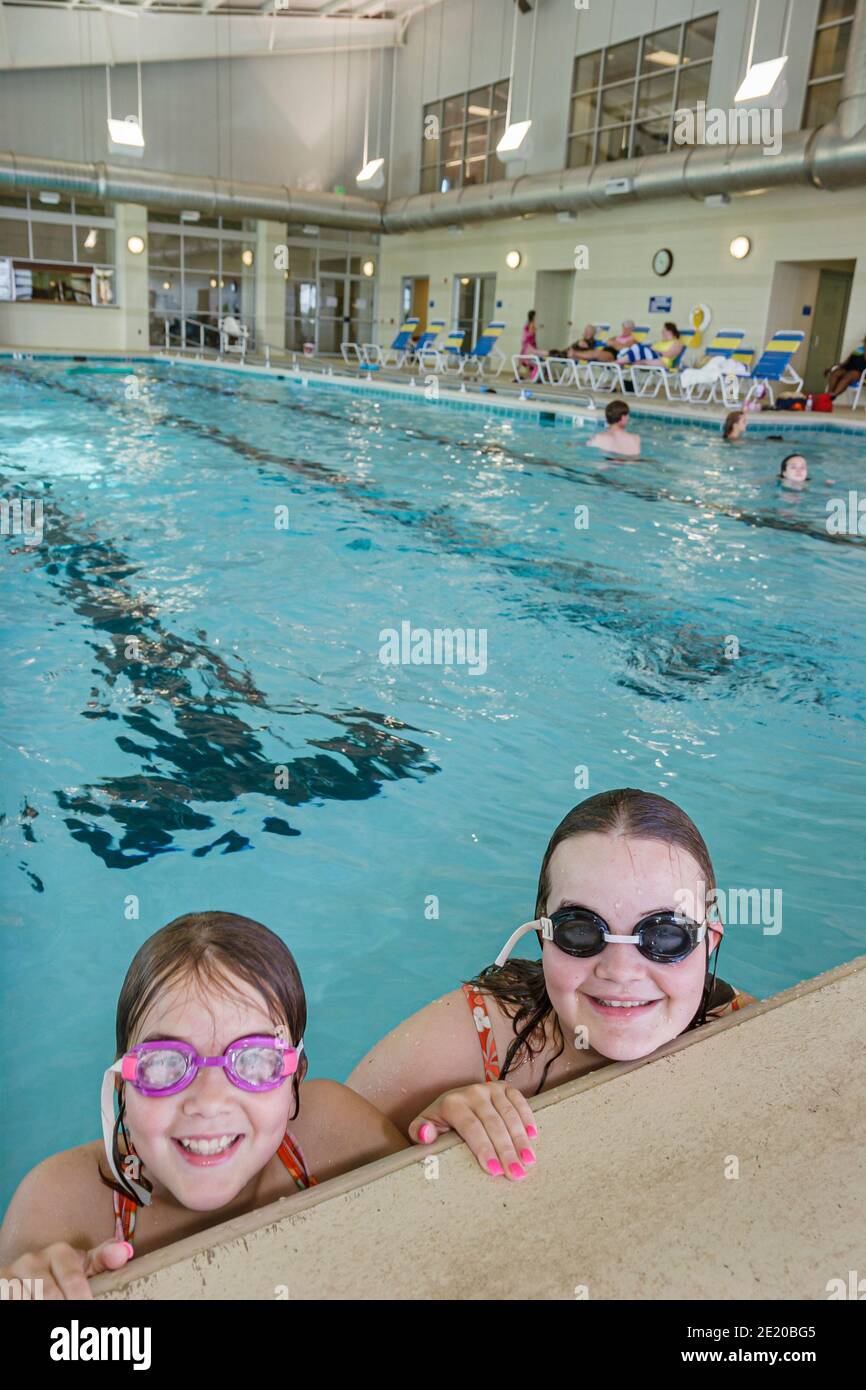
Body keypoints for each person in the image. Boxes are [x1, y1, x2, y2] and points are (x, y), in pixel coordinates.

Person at [348, 789, 759, 1181]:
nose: (619, 970)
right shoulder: (476, 1035)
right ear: (543, 937)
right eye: (581, 931)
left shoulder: (753, 1035)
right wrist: (422, 1141)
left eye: (665, 935)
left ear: (709, 943)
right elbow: (316, 1129)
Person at [0, 912, 411, 1297]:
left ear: (294, 1082)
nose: (208, 1102)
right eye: (164, 1064)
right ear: (123, 1086)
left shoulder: (338, 1138)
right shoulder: (60, 1209)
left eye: (255, 1061)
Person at [572, 319, 638, 363]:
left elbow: (623, 348)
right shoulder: (616, 337)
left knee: (596, 353)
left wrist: (614, 343)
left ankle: (574, 354)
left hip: (614, 354)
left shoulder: (633, 340)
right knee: (592, 350)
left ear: (631, 330)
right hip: (605, 349)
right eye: (623, 328)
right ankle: (573, 353)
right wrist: (613, 343)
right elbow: (608, 341)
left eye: (627, 329)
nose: (624, 330)